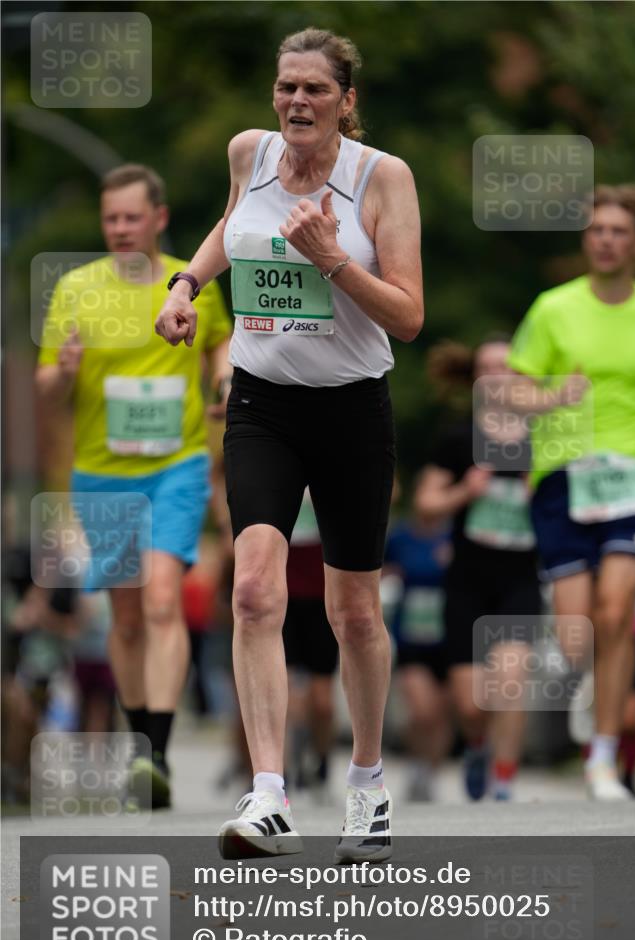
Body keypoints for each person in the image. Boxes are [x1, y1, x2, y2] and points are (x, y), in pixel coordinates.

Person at [156, 27, 423, 861]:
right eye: (285, 88)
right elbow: (230, 225)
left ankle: (368, 783)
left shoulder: (381, 179)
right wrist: (185, 285)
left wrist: (333, 261)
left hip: (350, 410)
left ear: (347, 100)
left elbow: (409, 318)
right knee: (252, 593)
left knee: (353, 611)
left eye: (314, 89)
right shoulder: (251, 154)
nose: (296, 102)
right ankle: (268, 793)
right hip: (262, 403)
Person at [36, 163, 232, 808]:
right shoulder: (74, 288)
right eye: (110, 218)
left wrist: (225, 386)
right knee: (124, 616)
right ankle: (140, 743)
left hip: (176, 464)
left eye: (131, 217)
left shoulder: (191, 281)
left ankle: (161, 751)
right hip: (102, 474)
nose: (120, 228)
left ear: (159, 218)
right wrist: (62, 372)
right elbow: (45, 389)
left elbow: (219, 351)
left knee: (161, 601)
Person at [508, 184, 635, 800]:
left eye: (618, 231)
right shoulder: (553, 309)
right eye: (596, 229)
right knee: (577, 635)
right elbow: (513, 390)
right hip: (563, 476)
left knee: (616, 608)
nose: (605, 239)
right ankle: (593, 690)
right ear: (586, 240)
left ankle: (602, 755)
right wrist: (548, 399)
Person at [416, 338, 542, 801]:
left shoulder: (544, 440)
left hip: (519, 579)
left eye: (508, 369)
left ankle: (504, 780)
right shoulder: (458, 439)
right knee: (471, 706)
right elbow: (426, 506)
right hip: (467, 580)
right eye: (488, 369)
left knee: (510, 682)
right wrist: (464, 494)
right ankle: (475, 744)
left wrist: (543, 496)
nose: (498, 378)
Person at [383, 473, 452, 802]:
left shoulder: (456, 537)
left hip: (448, 637)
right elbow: (380, 573)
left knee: (440, 713)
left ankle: (431, 773)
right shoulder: (400, 538)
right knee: (421, 710)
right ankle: (416, 764)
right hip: (411, 636)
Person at [283, 488, 339, 803]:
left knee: (322, 702)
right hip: (284, 596)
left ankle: (322, 760)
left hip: (323, 598)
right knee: (288, 696)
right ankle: (283, 774)